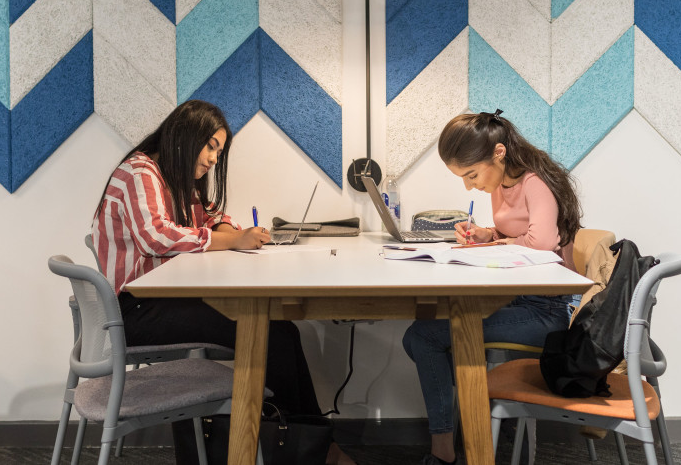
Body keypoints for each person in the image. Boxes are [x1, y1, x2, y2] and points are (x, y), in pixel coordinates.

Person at [90, 100, 355, 465]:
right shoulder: (140, 172)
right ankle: (313, 451)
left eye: (219, 150)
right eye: (211, 146)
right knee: (268, 333)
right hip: (136, 312)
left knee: (282, 330)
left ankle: (309, 445)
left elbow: (212, 215)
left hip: (161, 303)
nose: (215, 158)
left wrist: (228, 230)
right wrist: (233, 240)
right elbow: (157, 236)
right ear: (186, 138)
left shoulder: (173, 178)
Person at [402, 109, 582, 465]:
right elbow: (520, 233)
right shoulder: (503, 181)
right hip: (522, 298)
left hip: (549, 309)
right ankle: (476, 416)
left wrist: (495, 244)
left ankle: (446, 450)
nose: (470, 186)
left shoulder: (534, 181)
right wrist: (488, 234)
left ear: (499, 153)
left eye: (472, 175)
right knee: (423, 337)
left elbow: (542, 242)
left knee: (423, 337)